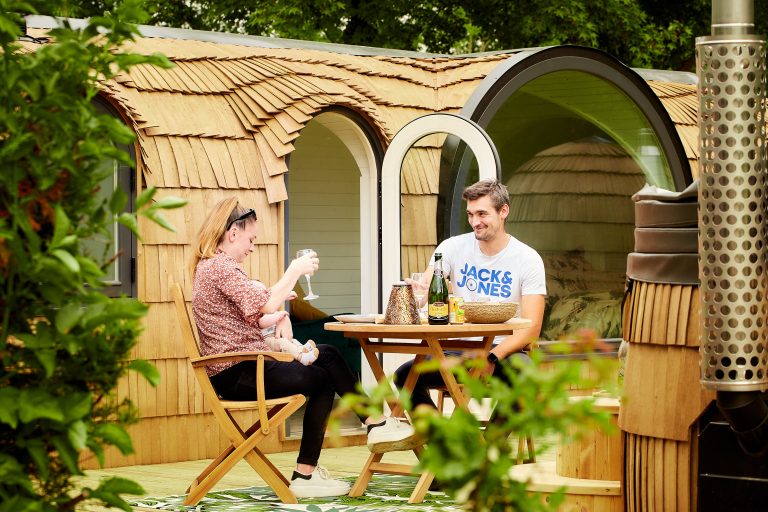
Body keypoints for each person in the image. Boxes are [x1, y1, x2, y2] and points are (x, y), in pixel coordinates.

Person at [190, 198, 415, 499]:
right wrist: (294, 270)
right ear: (232, 233)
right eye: (251, 239)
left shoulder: (215, 267)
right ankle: (309, 471)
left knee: (328, 354)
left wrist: (281, 316)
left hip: (247, 366)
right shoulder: (220, 267)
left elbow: (256, 312)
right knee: (322, 378)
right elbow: (265, 303)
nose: (252, 247)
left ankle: (372, 426)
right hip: (239, 372)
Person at [396, 178, 546, 411]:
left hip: (503, 351)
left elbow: (532, 327)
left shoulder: (527, 259)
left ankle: (493, 437)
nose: (475, 222)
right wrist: (420, 293)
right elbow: (427, 285)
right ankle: (440, 434)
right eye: (470, 214)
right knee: (405, 376)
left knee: (526, 377)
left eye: (482, 214)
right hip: (456, 350)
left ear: (503, 211)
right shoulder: (451, 247)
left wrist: (492, 357)